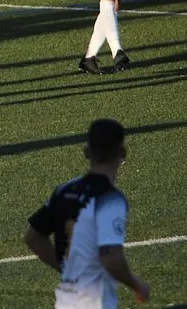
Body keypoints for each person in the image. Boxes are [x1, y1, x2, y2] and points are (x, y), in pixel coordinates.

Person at [24, 118, 149, 308]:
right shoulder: (110, 199)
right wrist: (137, 285)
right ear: (122, 152)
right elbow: (111, 259)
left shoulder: (64, 191)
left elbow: (33, 237)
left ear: (86, 152)